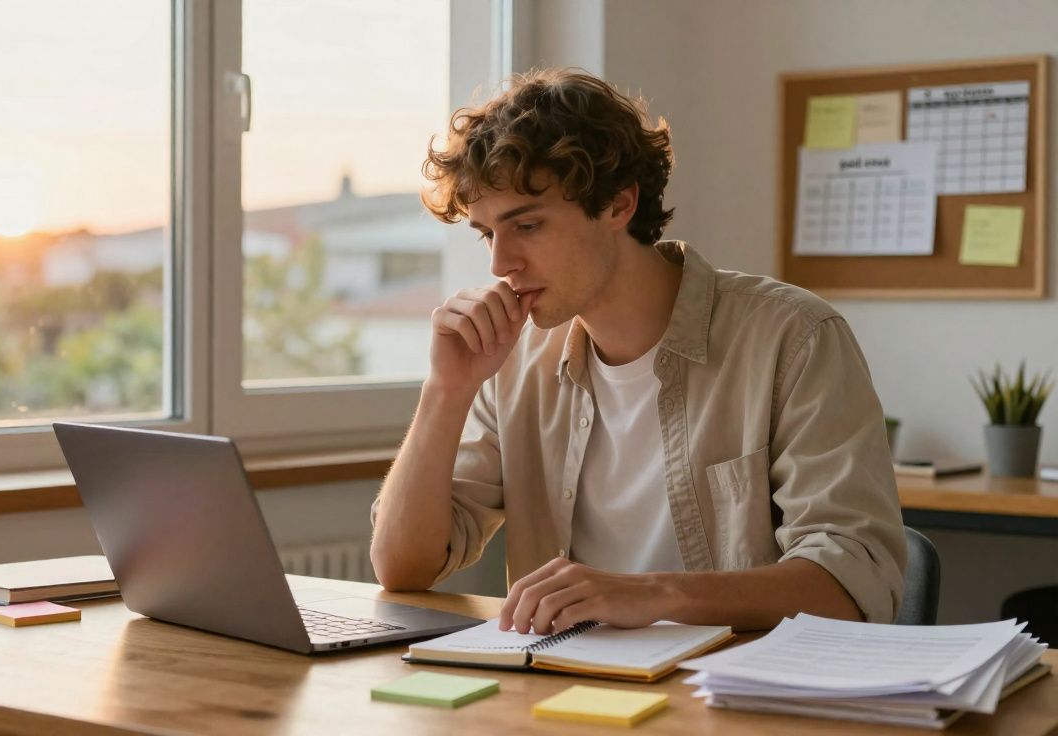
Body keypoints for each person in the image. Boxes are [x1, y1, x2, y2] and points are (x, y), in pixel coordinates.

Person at [369, 68, 906, 635]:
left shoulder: (793, 337)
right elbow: (403, 568)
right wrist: (445, 390)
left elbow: (851, 584)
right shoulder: (514, 360)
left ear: (619, 205)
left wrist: (648, 594)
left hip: (736, 701)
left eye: (526, 224)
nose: (500, 263)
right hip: (567, 695)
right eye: (487, 234)